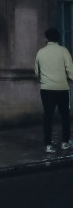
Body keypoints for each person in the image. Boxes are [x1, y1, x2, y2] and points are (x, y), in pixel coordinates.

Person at [34, 27, 73, 155]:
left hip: (46, 89)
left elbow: (36, 72)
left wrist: (43, 80)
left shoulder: (40, 52)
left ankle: (48, 145)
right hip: (62, 88)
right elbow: (70, 70)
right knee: (65, 116)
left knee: (48, 117)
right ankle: (65, 142)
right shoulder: (64, 51)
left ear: (46, 39)